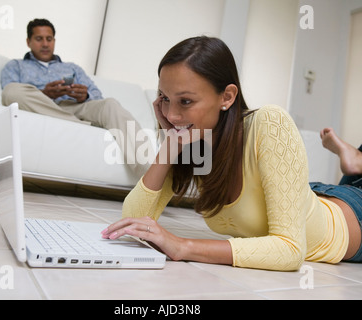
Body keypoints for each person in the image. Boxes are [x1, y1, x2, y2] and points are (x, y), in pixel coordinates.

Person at [101, 36, 362, 271]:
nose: (171, 115)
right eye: (165, 99)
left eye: (186, 101)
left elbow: (291, 250)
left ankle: (353, 159)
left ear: (227, 97)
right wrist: (169, 145)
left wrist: (183, 246)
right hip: (315, 197)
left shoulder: (270, 123)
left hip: (353, 215)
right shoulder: (194, 143)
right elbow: (131, 222)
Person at [0, 18, 151, 178]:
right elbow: (9, 95)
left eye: (49, 39)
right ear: (28, 41)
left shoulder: (72, 67)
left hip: (77, 107)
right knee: (12, 91)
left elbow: (97, 96)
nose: (45, 44)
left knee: (110, 104)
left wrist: (84, 95)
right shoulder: (15, 65)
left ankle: (151, 176)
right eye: (39, 39)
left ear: (54, 41)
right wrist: (45, 93)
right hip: (42, 106)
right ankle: (79, 125)